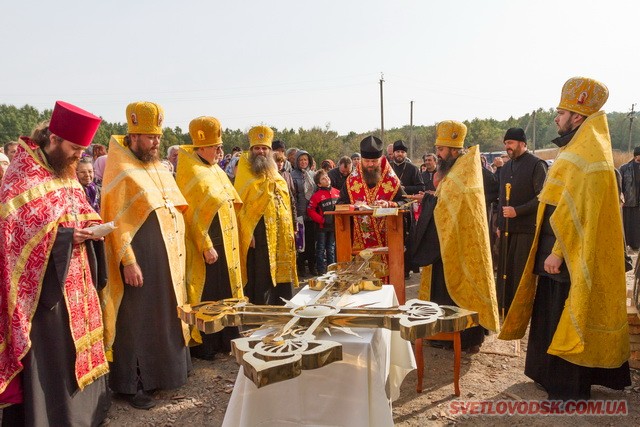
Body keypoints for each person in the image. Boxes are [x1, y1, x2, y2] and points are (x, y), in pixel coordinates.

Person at [500, 77, 631, 400]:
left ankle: (567, 385)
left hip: (568, 254)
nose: (556, 118)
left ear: (578, 116)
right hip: (553, 250)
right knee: (550, 312)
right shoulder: (579, 148)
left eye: (561, 112)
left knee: (565, 313)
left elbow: (580, 215)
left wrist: (558, 252)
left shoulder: (589, 156)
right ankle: (547, 375)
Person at [0, 101, 110, 426]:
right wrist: (64, 239)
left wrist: (91, 229)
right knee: (52, 355)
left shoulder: (65, 171)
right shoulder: (22, 177)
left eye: (83, 150)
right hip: (43, 293)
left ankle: (85, 414)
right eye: (75, 148)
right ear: (54, 140)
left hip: (78, 282)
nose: (79, 156)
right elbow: (12, 234)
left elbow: (76, 208)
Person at [100, 102, 190, 409]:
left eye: (158, 137)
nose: (155, 143)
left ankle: (165, 374)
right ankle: (133, 383)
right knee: (135, 320)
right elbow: (115, 220)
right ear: (133, 134)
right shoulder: (121, 169)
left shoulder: (157, 166)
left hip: (167, 259)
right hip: (139, 261)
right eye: (149, 137)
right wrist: (129, 261)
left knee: (164, 316)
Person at [410, 120, 499, 353]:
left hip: (460, 244)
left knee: (458, 290)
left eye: (440, 150)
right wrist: (431, 198)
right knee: (443, 289)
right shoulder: (456, 168)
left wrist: (429, 200)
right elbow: (445, 201)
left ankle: (462, 337)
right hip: (445, 239)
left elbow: (453, 203)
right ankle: (442, 334)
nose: (438, 154)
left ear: (453, 149)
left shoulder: (464, 170)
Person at [175, 116, 244, 360]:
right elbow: (190, 214)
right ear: (201, 147)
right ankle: (207, 345)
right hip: (208, 243)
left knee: (226, 289)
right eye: (216, 147)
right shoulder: (191, 171)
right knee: (209, 294)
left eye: (220, 147)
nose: (220, 151)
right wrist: (205, 245)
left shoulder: (214, 169)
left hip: (226, 240)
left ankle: (227, 338)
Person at [234, 125, 298, 305]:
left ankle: (283, 307)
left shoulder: (277, 175)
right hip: (260, 234)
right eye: (257, 148)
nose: (261, 151)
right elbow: (240, 206)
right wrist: (248, 233)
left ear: (270, 151)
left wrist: (291, 229)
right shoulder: (245, 176)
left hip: (281, 234)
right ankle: (261, 314)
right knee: (261, 275)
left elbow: (287, 202)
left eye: (264, 148)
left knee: (282, 276)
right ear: (251, 150)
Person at [495, 128, 547, 314]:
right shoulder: (506, 166)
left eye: (510, 143)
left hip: (525, 228)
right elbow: (502, 198)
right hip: (507, 227)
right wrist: (499, 223)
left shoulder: (536, 164)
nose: (507, 146)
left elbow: (542, 196)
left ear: (523, 143)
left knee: (519, 271)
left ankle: (520, 309)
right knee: (504, 270)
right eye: (506, 143)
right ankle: (504, 307)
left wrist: (518, 211)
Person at [337, 136, 405, 251]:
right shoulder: (351, 181)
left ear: (380, 160)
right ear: (361, 160)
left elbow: (405, 202)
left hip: (387, 242)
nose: (370, 165)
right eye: (366, 161)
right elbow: (340, 204)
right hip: (359, 242)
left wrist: (389, 204)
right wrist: (354, 207)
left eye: (374, 161)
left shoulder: (392, 181)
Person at [307, 169, 340, 274]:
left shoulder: (337, 192)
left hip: (333, 226)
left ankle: (332, 270)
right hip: (322, 227)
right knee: (321, 248)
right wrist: (321, 220)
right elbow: (310, 210)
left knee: (331, 248)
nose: (327, 179)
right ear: (319, 184)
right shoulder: (316, 195)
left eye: (327, 177)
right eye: (323, 178)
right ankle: (321, 270)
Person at [291, 149, 317, 276]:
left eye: (305, 159)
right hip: (300, 212)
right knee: (301, 242)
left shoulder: (312, 174)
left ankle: (312, 266)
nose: (303, 162)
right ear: (297, 161)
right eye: (301, 160)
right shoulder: (292, 175)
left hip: (312, 213)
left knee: (312, 242)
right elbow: (293, 195)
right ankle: (301, 268)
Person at [620, 147, 640, 250]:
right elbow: (619, 185)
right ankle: (626, 245)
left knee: (637, 225)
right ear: (636, 156)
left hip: (638, 202)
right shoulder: (624, 168)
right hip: (628, 201)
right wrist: (621, 197)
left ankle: (636, 246)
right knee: (627, 225)